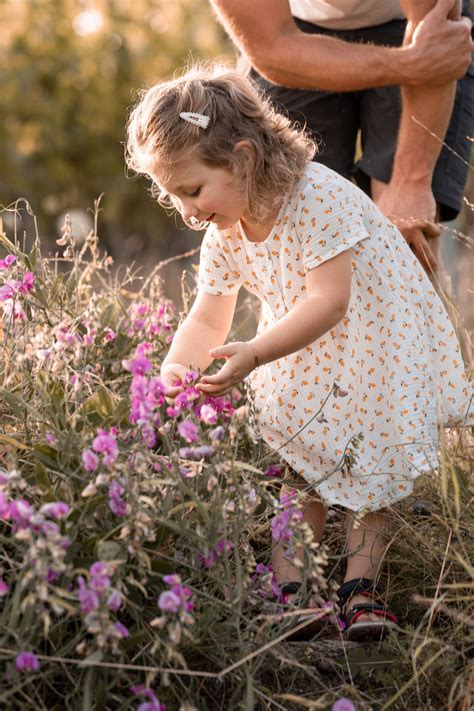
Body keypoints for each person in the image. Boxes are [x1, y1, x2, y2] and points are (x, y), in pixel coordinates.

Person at [125, 63, 472, 641]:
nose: (187, 211)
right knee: (298, 454)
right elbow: (208, 315)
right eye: (172, 198)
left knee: (374, 459)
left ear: (240, 158)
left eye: (191, 190)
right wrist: (173, 377)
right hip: (303, 341)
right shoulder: (225, 230)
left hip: (375, 338)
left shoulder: (317, 199)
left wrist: (257, 354)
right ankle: (295, 595)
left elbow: (331, 302)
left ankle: (362, 591)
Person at [210, 0, 474, 274]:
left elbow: (437, 46)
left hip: (413, 26)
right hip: (287, 35)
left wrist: (412, 183)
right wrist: (410, 63)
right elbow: (272, 46)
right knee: (293, 247)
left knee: (407, 246)